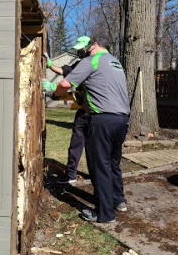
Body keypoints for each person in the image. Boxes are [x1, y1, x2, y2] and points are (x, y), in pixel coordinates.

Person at [43, 35, 130, 223]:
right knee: (113, 163)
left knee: (100, 166)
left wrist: (53, 90)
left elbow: (65, 84)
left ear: (95, 44)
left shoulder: (92, 60)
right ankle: (118, 200)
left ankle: (105, 213)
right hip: (122, 120)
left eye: (86, 48)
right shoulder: (115, 63)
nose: (83, 51)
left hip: (102, 120)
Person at [43, 40, 90, 185]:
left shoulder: (92, 65)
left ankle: (94, 176)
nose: (78, 52)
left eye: (80, 49)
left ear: (89, 47)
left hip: (94, 113)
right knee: (76, 145)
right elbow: (65, 71)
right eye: (77, 50)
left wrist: (54, 88)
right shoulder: (80, 64)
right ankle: (71, 175)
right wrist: (50, 65)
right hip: (83, 112)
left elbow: (67, 83)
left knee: (93, 147)